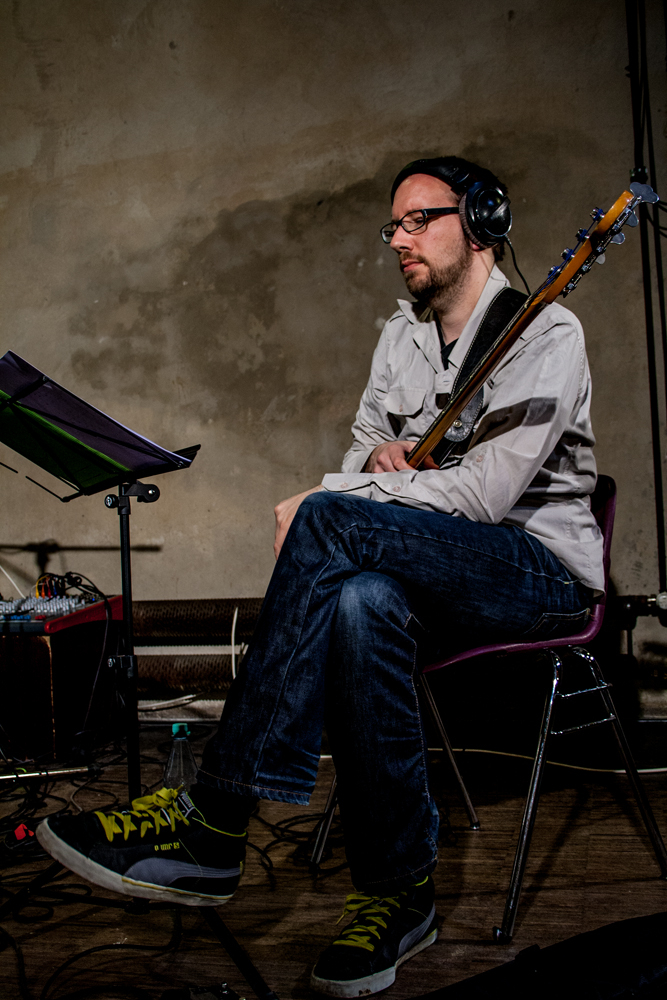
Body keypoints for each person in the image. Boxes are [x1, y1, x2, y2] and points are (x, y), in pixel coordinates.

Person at [37, 156, 604, 998]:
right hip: (430, 565)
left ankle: (217, 815)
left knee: (327, 516)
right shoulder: (399, 337)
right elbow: (365, 453)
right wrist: (374, 468)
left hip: (536, 570)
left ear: (482, 221)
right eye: (393, 225)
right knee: (362, 601)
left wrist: (349, 494)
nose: (399, 239)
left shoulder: (544, 333)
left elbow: (485, 496)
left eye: (419, 220)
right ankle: (398, 894)